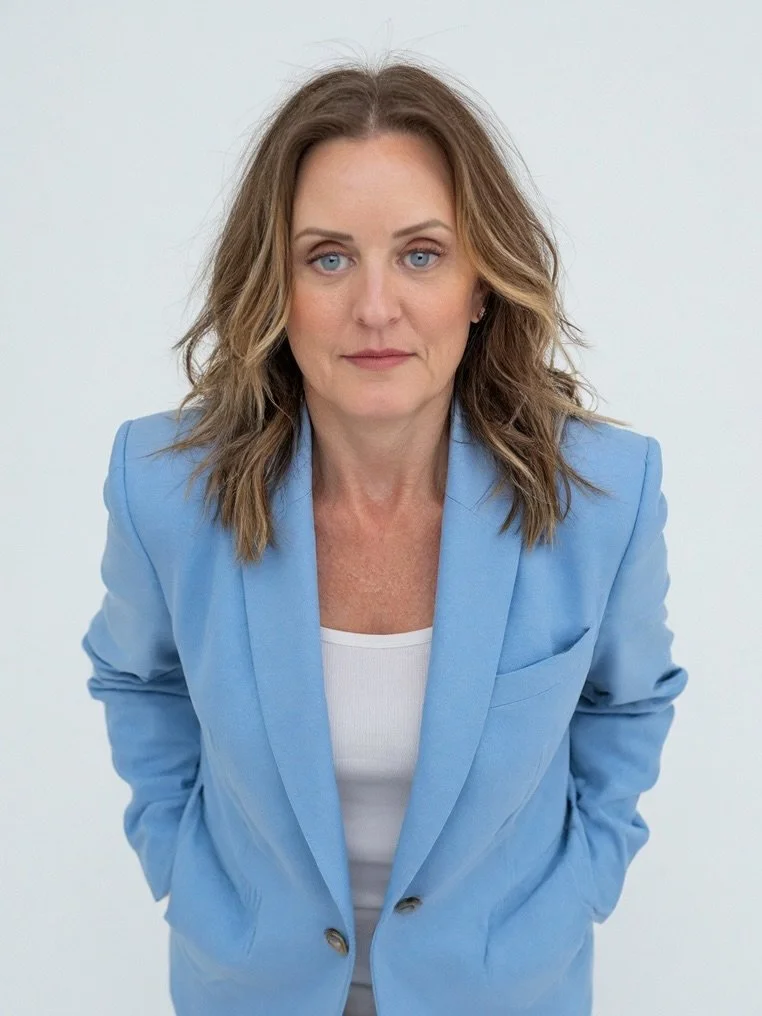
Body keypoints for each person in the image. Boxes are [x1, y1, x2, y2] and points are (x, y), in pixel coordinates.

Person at [81, 55, 689, 1016]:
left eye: (420, 253)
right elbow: (136, 679)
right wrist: (177, 862)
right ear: (274, 287)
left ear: (481, 284)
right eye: (328, 256)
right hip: (249, 990)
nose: (375, 308)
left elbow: (628, 705)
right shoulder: (164, 487)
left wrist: (581, 891)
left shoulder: (604, 497)